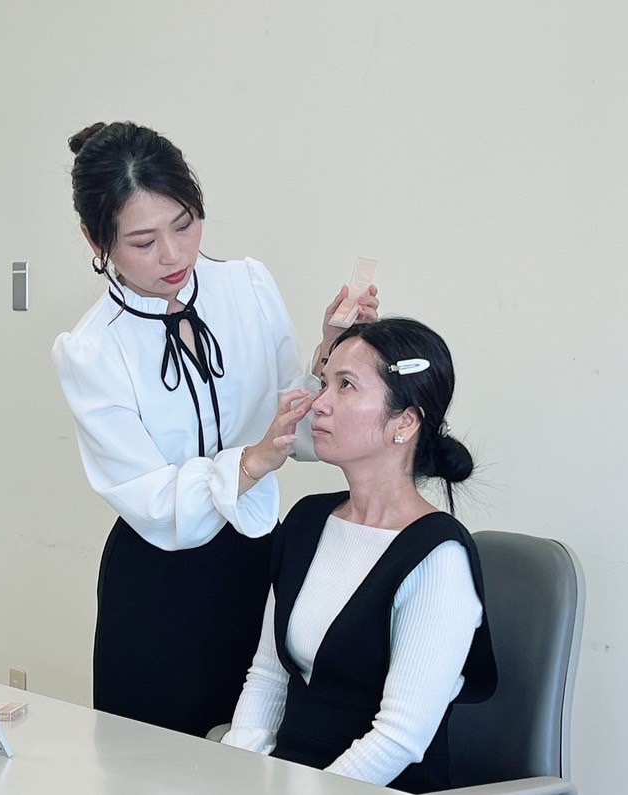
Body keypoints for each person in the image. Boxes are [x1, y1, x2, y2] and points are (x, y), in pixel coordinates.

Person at [51, 121, 379, 737]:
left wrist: (330, 355)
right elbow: (151, 498)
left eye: (184, 225)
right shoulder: (91, 350)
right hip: (158, 582)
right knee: (148, 763)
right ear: (97, 241)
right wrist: (249, 463)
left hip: (259, 561)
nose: (173, 255)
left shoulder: (247, 288)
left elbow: (295, 433)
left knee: (259, 748)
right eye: (143, 241)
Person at [221, 317, 497, 793]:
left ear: (404, 422)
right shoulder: (307, 522)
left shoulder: (437, 557)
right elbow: (267, 676)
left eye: (345, 385)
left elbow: (399, 738)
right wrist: (236, 776)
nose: (319, 403)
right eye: (325, 382)